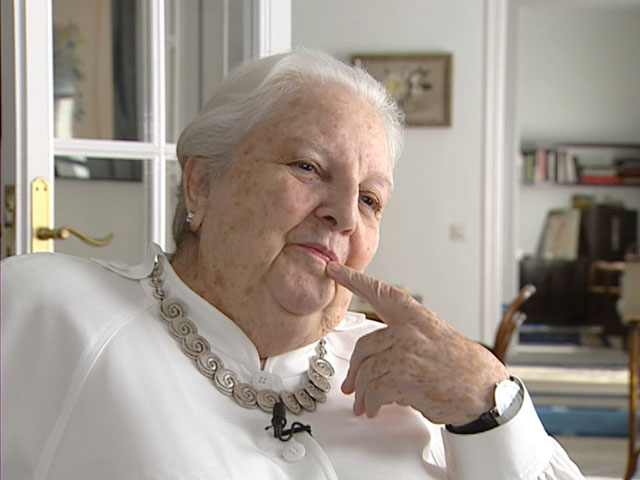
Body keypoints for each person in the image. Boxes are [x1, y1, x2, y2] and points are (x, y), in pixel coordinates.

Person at [1, 49, 584, 479]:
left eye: (370, 199)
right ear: (202, 184)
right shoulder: (51, 312)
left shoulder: (409, 376)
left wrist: (489, 404)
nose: (344, 215)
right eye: (308, 167)